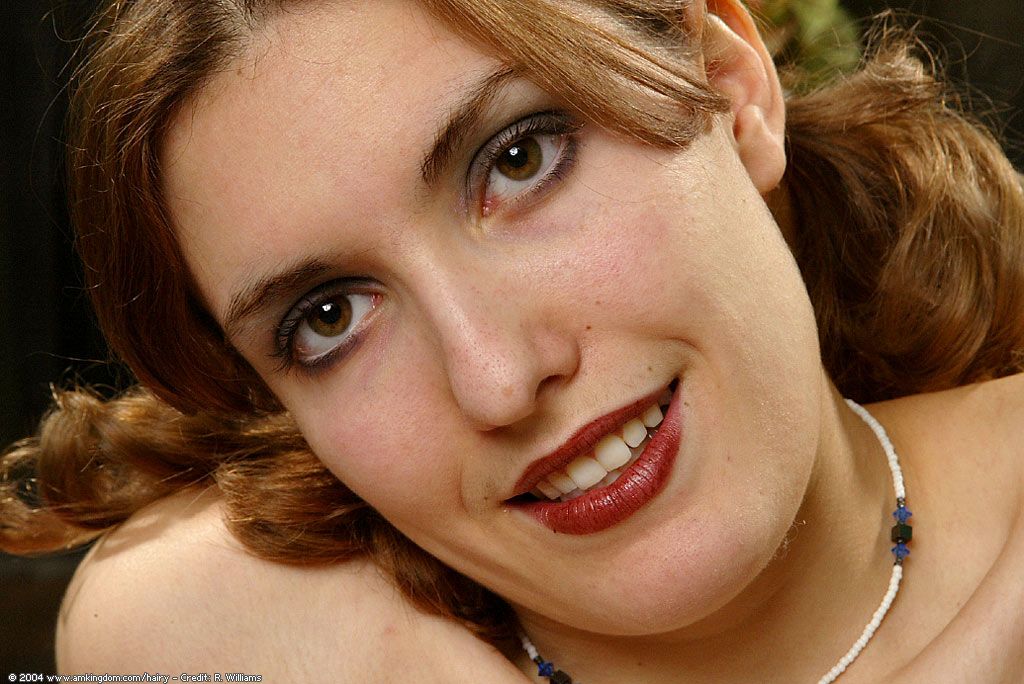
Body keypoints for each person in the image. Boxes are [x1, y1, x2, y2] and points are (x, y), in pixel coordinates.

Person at [2, 0, 1023, 681]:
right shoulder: (222, 634)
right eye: (329, 317)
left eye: (519, 159)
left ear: (728, 85)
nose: (495, 380)